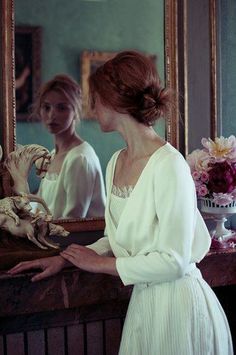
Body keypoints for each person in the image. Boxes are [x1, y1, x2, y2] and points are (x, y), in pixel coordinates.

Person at [8, 51, 233, 354]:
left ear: (114, 100)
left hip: (179, 308)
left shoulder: (170, 164)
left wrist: (101, 264)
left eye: (96, 98)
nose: (92, 106)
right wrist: (66, 258)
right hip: (144, 306)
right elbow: (116, 239)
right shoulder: (115, 161)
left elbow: (174, 261)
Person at [31, 74, 106, 219]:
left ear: (75, 110)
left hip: (76, 240)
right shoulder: (53, 154)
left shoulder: (79, 158)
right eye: (46, 107)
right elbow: (40, 208)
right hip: (51, 236)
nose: (52, 115)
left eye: (61, 108)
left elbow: (73, 221)